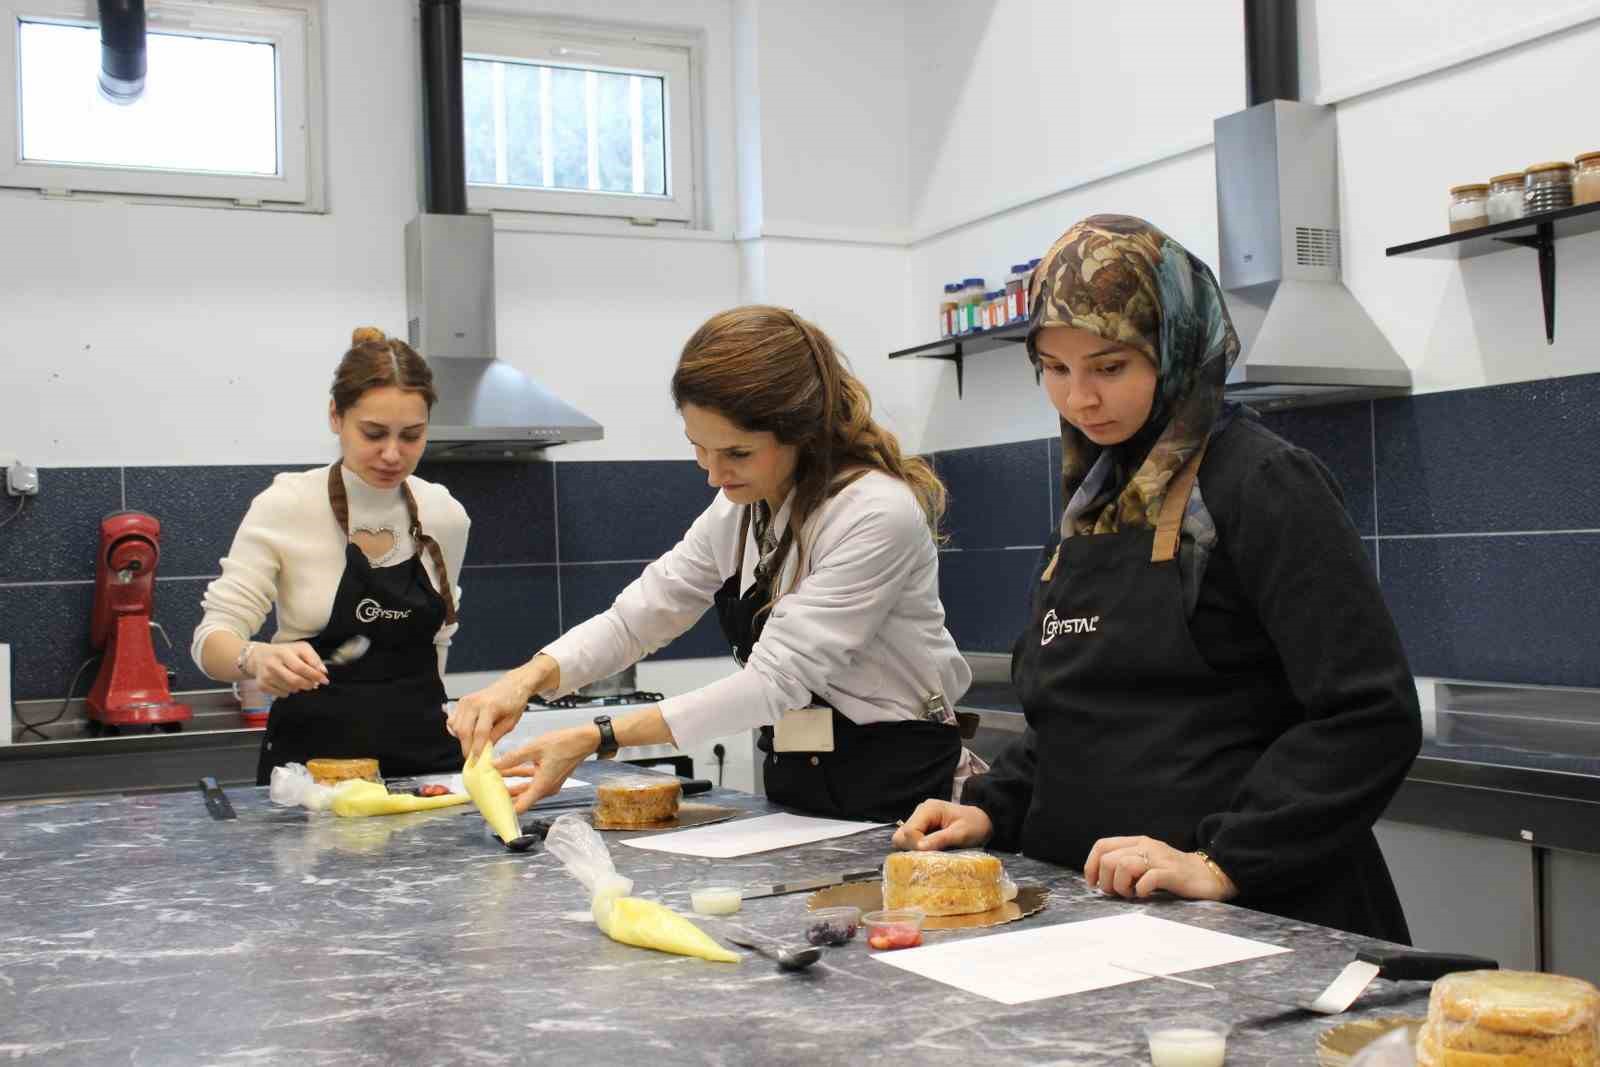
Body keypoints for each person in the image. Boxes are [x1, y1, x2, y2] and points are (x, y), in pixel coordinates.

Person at [893, 216, 1421, 942]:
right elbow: (1078, 718)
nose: (1079, 398)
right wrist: (992, 804)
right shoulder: (1096, 501)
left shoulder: (1261, 483)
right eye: (1054, 367)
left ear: (1174, 349)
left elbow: (1366, 715)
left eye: (1109, 367)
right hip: (1096, 917)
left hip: (1249, 919)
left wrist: (1223, 860)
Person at [447, 305, 978, 822]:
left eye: (737, 454)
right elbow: (640, 617)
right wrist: (521, 681)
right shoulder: (744, 508)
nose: (713, 473)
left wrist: (598, 735)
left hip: (899, 785)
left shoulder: (873, 513)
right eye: (699, 448)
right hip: (801, 782)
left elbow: (774, 682)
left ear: (803, 432)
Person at [193, 327, 470, 785]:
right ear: (335, 417)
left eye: (412, 436)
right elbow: (210, 641)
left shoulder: (445, 515)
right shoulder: (287, 505)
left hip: (426, 772)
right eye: (374, 433)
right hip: (310, 780)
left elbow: (439, 640)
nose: (392, 454)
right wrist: (255, 658)